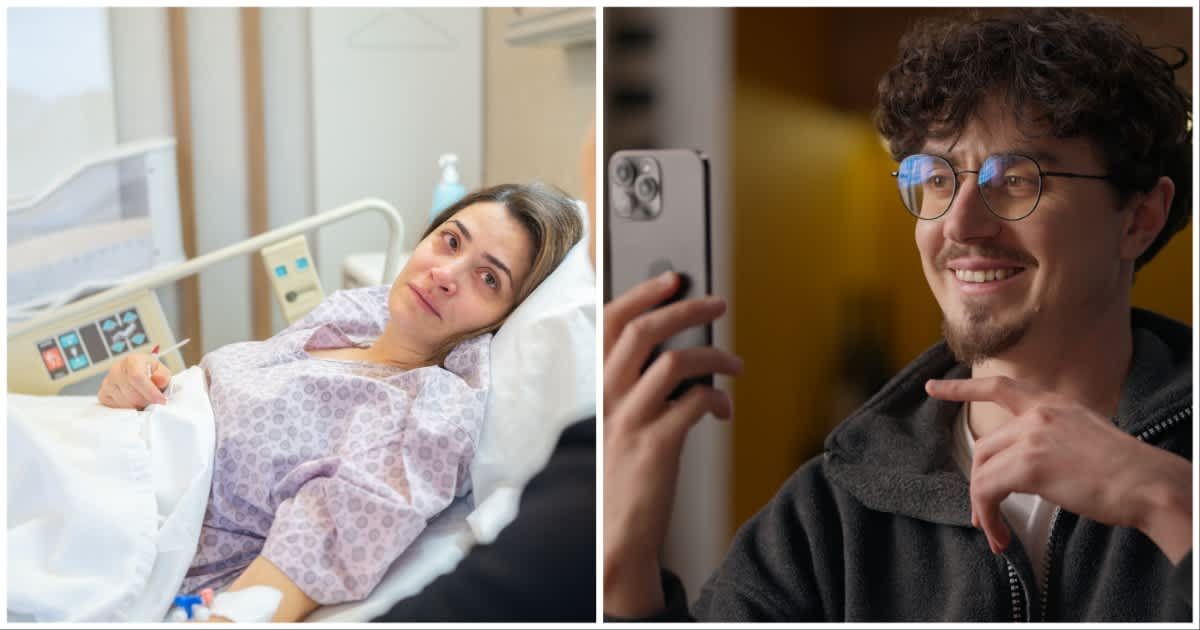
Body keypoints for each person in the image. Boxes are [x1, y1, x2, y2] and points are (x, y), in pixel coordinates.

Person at [603, 8, 1192, 622]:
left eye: (1018, 178)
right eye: (936, 179)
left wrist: (1167, 501)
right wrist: (621, 561)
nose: (959, 223)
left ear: (1139, 218)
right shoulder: (828, 515)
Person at [98, 183, 582, 621]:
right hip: (107, 452)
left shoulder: (427, 415)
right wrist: (139, 381)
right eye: (451, 241)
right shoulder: (360, 311)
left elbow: (313, 551)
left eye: (489, 279)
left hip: (129, 532)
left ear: (504, 319)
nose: (445, 274)